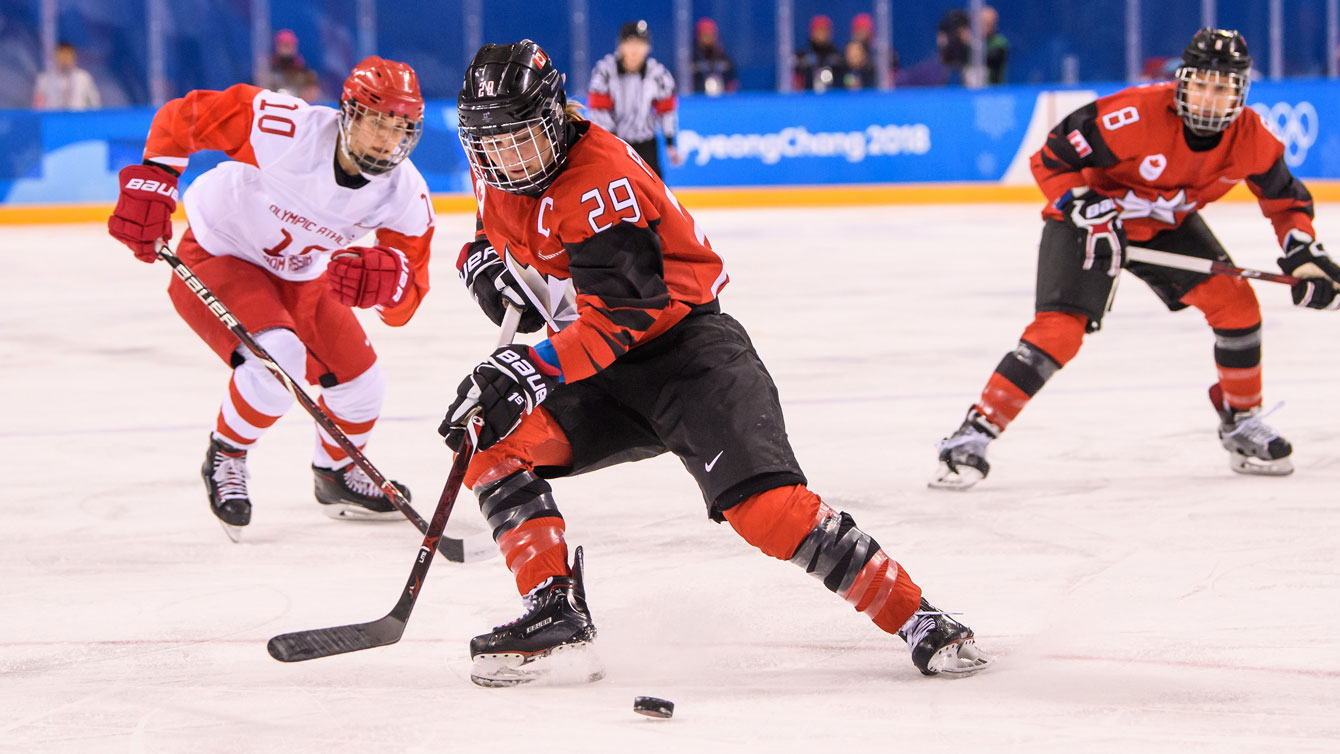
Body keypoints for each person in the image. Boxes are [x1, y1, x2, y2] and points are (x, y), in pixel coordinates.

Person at [445, 40, 989, 687]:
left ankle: (918, 617)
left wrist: (530, 369)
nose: (508, 157)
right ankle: (552, 607)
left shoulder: (601, 180)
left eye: (522, 139)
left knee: (766, 510)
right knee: (491, 442)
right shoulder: (501, 166)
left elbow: (624, 316)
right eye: (493, 143)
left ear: (556, 116)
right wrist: (478, 261)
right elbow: (495, 226)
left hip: (687, 356)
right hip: (595, 363)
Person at [930, 28, 1338, 491]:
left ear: (1241, 93)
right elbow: (1050, 158)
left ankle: (1242, 423)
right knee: (1059, 330)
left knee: (1238, 305)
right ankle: (973, 434)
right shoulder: (1133, 115)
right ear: (1182, 81)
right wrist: (1080, 203)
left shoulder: (1252, 139)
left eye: (1224, 87)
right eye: (1202, 82)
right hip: (1087, 218)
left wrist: (1305, 256)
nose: (1210, 97)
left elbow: (1287, 203)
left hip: (1164, 225)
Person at [106, 56, 436, 537]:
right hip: (220, 251)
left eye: (401, 128)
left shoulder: (404, 194)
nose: (387, 140)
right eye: (377, 122)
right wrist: (155, 175)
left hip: (302, 276)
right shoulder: (287, 129)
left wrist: (389, 287)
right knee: (277, 358)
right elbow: (185, 116)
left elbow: (409, 296)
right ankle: (228, 453)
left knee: (363, 384)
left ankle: (337, 475)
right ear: (349, 113)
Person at [587, 20, 679, 177]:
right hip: (615, 144)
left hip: (647, 144)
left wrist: (670, 143)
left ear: (648, 47)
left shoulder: (659, 74)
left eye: (640, 43)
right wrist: (611, 143)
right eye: (630, 43)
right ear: (620, 45)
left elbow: (666, 111)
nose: (635, 49)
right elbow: (598, 112)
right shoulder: (604, 71)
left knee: (655, 194)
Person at [32, 41, 100, 110]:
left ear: (74, 57)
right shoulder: (44, 79)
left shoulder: (83, 77)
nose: (64, 59)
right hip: (53, 118)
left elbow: (95, 104)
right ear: (55, 57)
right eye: (61, 55)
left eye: (68, 55)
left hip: (78, 118)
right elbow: (38, 107)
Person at [264, 29, 320, 101]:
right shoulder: (268, 72)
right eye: (283, 45)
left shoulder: (305, 73)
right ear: (277, 47)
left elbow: (312, 95)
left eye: (289, 45)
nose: (286, 49)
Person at [793, 15, 842, 92]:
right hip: (808, 97)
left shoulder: (837, 55)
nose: (821, 34)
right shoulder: (803, 55)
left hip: (832, 96)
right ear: (812, 32)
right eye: (818, 30)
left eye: (825, 30)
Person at [690, 17, 737, 96]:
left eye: (710, 35)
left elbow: (732, 80)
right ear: (698, 36)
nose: (708, 38)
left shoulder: (723, 56)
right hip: (698, 99)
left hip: (721, 99)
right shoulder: (692, 58)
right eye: (704, 35)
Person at [980, 6, 1009, 85]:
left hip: (994, 92)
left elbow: (992, 58)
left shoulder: (999, 42)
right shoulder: (972, 42)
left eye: (989, 23)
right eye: (983, 22)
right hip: (969, 92)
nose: (985, 26)